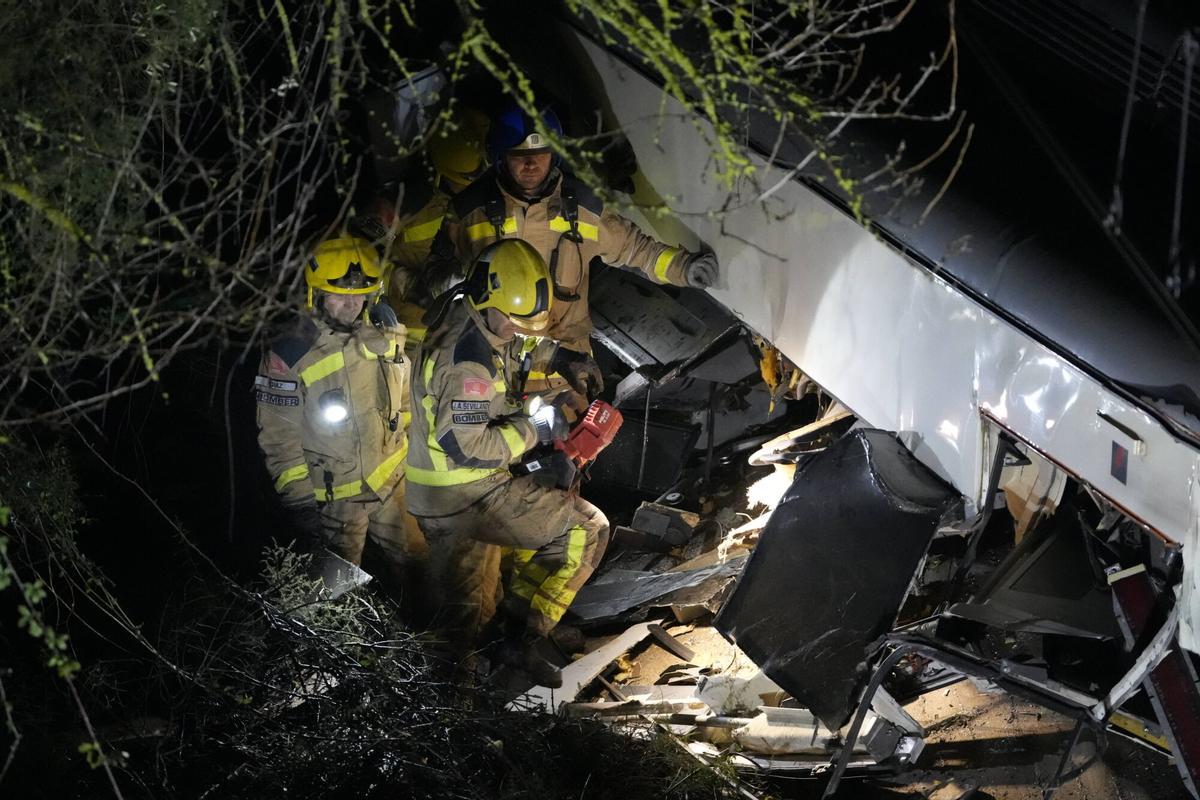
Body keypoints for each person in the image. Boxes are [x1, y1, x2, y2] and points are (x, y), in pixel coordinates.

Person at [406, 238, 610, 686]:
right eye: (513, 322)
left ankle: (504, 647)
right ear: (486, 298)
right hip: (458, 493)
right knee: (587, 530)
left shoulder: (474, 311)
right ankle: (462, 697)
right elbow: (468, 447)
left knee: (480, 602)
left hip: (459, 484)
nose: (519, 331)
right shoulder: (466, 365)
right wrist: (534, 430)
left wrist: (560, 355)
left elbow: (517, 346)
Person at [423, 101, 720, 397]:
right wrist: (454, 283)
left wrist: (684, 267)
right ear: (501, 158)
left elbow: (636, 249)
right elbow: (434, 278)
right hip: (495, 373)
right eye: (520, 156)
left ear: (554, 156)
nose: (531, 165)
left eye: (541, 154)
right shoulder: (468, 213)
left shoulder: (582, 208)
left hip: (569, 376)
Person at [255, 235, 427, 607]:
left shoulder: (386, 330)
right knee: (330, 600)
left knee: (422, 573)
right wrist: (302, 508)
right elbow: (279, 442)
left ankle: (428, 652)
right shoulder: (290, 352)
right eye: (340, 295)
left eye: (361, 294)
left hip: (393, 483)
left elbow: (404, 399)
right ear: (315, 293)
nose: (352, 304)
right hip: (335, 501)